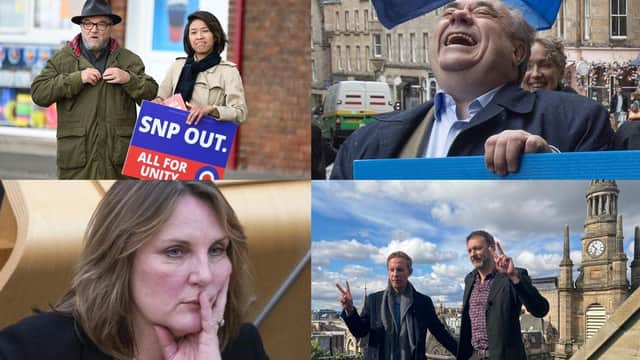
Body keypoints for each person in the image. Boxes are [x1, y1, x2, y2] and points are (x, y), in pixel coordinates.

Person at [331, 0, 612, 179]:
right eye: (449, 11)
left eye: (482, 11)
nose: (460, 15)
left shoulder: (578, 121)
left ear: (517, 51)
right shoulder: (365, 143)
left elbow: (601, 200)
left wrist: (550, 168)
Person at [0, 181, 269, 360]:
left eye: (216, 250)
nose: (205, 275)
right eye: (175, 251)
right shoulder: (33, 349)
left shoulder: (242, 347)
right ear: (120, 259)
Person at [31, 0, 158, 179]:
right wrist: (76, 78)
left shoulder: (128, 60)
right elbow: (39, 93)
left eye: (101, 24)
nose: (94, 29)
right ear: (81, 27)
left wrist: (128, 79)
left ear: (110, 27)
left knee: (118, 207)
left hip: (118, 165)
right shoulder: (62, 60)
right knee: (78, 206)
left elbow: (152, 94)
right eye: (88, 23)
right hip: (77, 164)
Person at [336, 251, 458, 359]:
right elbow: (360, 331)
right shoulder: (374, 300)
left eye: (400, 269)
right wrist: (349, 309)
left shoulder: (423, 302)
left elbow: (440, 333)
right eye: (392, 270)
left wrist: (464, 354)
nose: (395, 274)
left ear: (409, 272)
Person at [457, 230, 549, 360]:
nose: (473, 254)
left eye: (477, 248)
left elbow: (541, 309)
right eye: (469, 250)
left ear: (491, 248)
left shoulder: (512, 276)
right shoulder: (469, 279)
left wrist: (514, 277)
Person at [153, 11, 247, 125]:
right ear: (188, 38)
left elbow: (240, 112)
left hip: (204, 138)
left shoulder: (228, 71)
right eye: (193, 32)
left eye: (205, 31)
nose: (199, 36)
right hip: (172, 133)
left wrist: (212, 110)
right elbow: (161, 98)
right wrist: (157, 102)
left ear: (215, 35)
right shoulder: (177, 66)